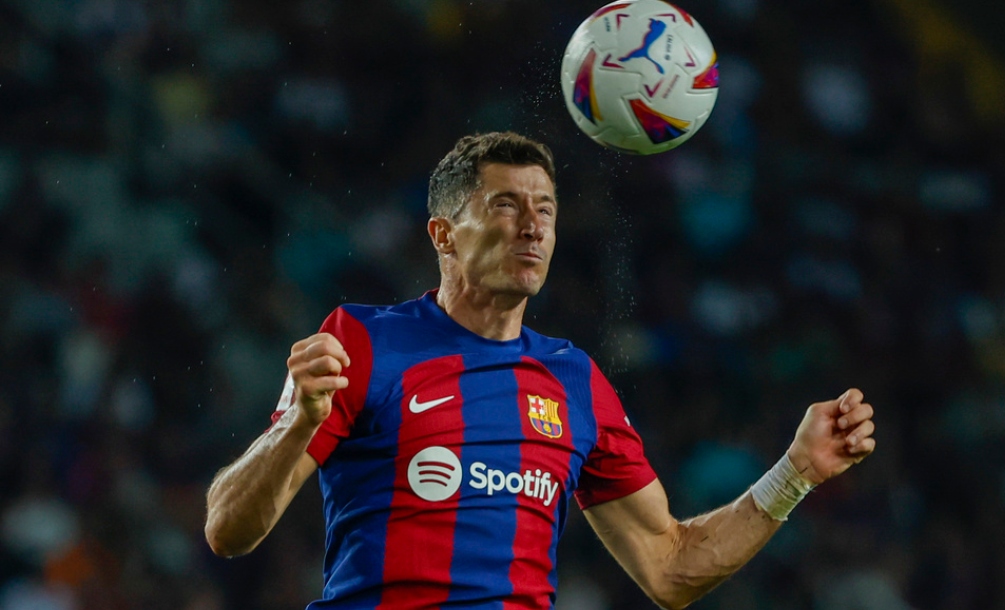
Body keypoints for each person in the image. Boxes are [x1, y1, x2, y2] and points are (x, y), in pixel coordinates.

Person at [203, 131, 877, 609]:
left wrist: (796, 472)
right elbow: (227, 530)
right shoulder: (364, 341)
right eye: (505, 205)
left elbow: (669, 568)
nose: (533, 226)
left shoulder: (574, 379)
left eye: (546, 210)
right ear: (444, 234)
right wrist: (299, 425)